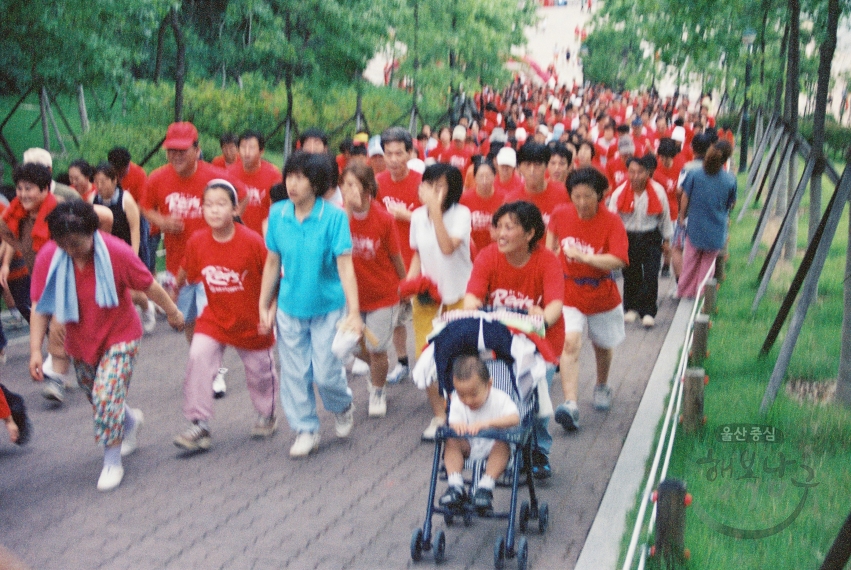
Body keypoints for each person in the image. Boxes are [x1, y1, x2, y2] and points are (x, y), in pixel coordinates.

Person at [29, 201, 184, 491]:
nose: (70, 250)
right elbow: (40, 305)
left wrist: (173, 312)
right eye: (63, 244)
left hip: (120, 335)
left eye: (76, 243)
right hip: (81, 341)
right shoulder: (51, 257)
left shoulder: (115, 252)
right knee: (98, 398)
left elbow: (148, 284)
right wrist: (36, 350)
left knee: (105, 396)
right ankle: (128, 421)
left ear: (92, 232)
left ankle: (112, 460)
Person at [259, 151, 362, 458]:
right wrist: (264, 303)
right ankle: (306, 429)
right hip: (290, 308)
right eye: (290, 175)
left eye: (301, 177)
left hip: (328, 308)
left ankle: (342, 405)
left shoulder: (333, 217)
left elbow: (345, 267)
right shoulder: (277, 214)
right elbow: (272, 262)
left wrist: (354, 312)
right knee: (295, 373)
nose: (293, 183)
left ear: (316, 183)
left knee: (326, 373)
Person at [172, 180, 279, 451]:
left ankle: (267, 414)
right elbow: (187, 270)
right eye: (208, 205)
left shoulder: (253, 242)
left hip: (252, 321)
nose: (214, 211)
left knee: (261, 374)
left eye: (221, 204)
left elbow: (276, 279)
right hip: (215, 318)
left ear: (234, 209)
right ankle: (199, 425)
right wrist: (174, 292)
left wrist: (269, 312)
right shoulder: (197, 242)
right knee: (198, 356)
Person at [464, 201, 564, 478]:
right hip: (501, 340)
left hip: (541, 343)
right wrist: (471, 306)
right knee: (507, 396)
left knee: (536, 400)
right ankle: (503, 451)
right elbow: (473, 294)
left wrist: (541, 316)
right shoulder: (488, 256)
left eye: (510, 227)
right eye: (499, 227)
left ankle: (539, 450)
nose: (501, 234)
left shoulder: (547, 261)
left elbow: (555, 305)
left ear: (530, 233)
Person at [547, 168, 629, 430]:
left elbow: (618, 259)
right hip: (569, 291)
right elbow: (550, 248)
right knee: (570, 343)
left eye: (588, 197)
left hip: (601, 292)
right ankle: (570, 404)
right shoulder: (560, 215)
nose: (581, 203)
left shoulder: (612, 221)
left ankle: (602, 385)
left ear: (600, 195)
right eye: (576, 196)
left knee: (603, 346)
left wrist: (586, 258)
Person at [406, 163, 472, 440]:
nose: (432, 191)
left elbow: (447, 247)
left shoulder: (461, 214)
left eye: (440, 186)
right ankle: (439, 415)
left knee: (459, 358)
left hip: (458, 296)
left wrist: (434, 210)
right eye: (429, 184)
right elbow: (417, 254)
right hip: (427, 298)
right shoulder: (417, 217)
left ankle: (464, 412)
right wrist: (408, 286)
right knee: (426, 358)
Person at [341, 162, 405, 418]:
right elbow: (338, 241)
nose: (348, 191)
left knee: (377, 348)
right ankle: (378, 370)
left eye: (353, 185)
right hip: (353, 296)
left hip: (383, 294)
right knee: (353, 347)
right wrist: (346, 208)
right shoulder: (340, 216)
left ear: (368, 189)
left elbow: (396, 257)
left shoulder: (383, 219)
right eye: (344, 185)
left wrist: (405, 287)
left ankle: (378, 389)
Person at [438, 354, 520, 513]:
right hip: (469, 445)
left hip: (494, 446)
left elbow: (514, 418)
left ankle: (485, 487)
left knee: (502, 445)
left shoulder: (500, 399)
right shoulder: (457, 401)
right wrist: (457, 426)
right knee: (451, 442)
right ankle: (456, 485)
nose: (467, 400)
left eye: (473, 394)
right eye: (462, 395)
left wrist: (488, 423)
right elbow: (454, 421)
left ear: (489, 385)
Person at [376, 127, 423, 384]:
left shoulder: (421, 182)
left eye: (399, 153)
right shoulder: (378, 183)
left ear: (409, 153)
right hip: (389, 263)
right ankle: (403, 362)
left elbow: (433, 218)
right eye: (388, 153)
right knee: (396, 319)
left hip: (418, 261)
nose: (393, 159)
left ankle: (427, 362)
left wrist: (407, 216)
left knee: (422, 316)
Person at [90, 162, 157, 333]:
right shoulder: (94, 200)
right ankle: (123, 322)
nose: (99, 186)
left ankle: (146, 307)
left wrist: (133, 254)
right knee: (117, 290)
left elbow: (136, 228)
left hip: (128, 248)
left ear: (114, 180)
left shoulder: (125, 199)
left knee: (134, 290)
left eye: (103, 181)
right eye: (96, 182)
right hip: (107, 252)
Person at [608, 155, 672, 327]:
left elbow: (665, 217)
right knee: (631, 274)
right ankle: (631, 308)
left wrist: (666, 240)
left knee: (651, 274)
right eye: (632, 172)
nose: (635, 176)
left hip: (651, 236)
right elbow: (612, 220)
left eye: (640, 172)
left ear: (648, 173)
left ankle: (649, 311)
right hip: (628, 237)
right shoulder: (619, 193)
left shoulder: (658, 192)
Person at [677, 140, 737, 298]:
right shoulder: (730, 179)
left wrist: (682, 216)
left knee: (689, 263)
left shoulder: (695, 174)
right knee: (707, 266)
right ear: (726, 159)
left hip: (695, 225)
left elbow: (685, 196)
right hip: (716, 228)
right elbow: (731, 204)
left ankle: (684, 292)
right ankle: (700, 295)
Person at [228, 130, 283, 236]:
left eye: (252, 148)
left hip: (263, 237)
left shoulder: (273, 175)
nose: (247, 152)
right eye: (243, 147)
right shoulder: (229, 173)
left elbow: (277, 209)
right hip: (236, 236)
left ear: (261, 151)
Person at [505, 142, 569, 226]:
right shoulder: (511, 201)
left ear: (546, 166)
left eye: (537, 164)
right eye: (527, 164)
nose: (532, 170)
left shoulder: (564, 194)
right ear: (519, 168)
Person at [460, 157, 505, 254]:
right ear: (474, 177)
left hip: (496, 252)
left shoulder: (504, 199)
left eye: (488, 176)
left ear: (495, 176)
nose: (484, 181)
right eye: (481, 176)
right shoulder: (464, 199)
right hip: (471, 253)